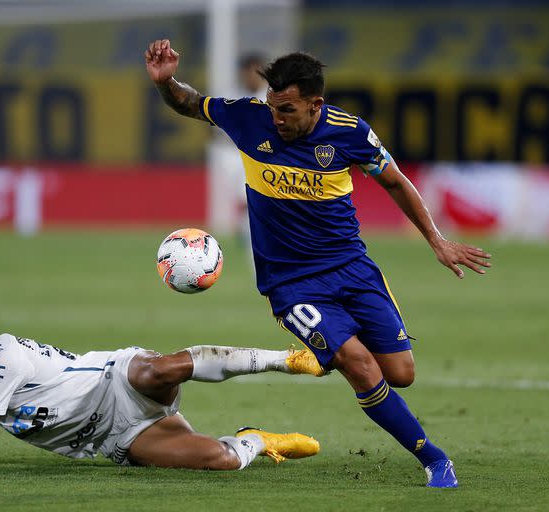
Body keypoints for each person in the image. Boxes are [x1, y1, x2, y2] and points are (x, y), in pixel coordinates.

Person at [145, 39, 493, 487]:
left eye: (287, 109)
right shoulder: (250, 119)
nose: (277, 118)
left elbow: (396, 182)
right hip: (292, 284)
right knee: (359, 364)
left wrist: (437, 241)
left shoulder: (349, 132)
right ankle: (434, 458)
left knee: (400, 374)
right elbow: (190, 103)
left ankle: (328, 351)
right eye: (273, 107)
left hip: (352, 268)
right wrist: (165, 81)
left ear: (315, 104)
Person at [0, 307, 322, 469]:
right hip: (110, 438)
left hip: (114, 380)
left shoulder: (0, 363)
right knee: (222, 462)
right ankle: (259, 438)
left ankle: (288, 359)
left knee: (161, 371)